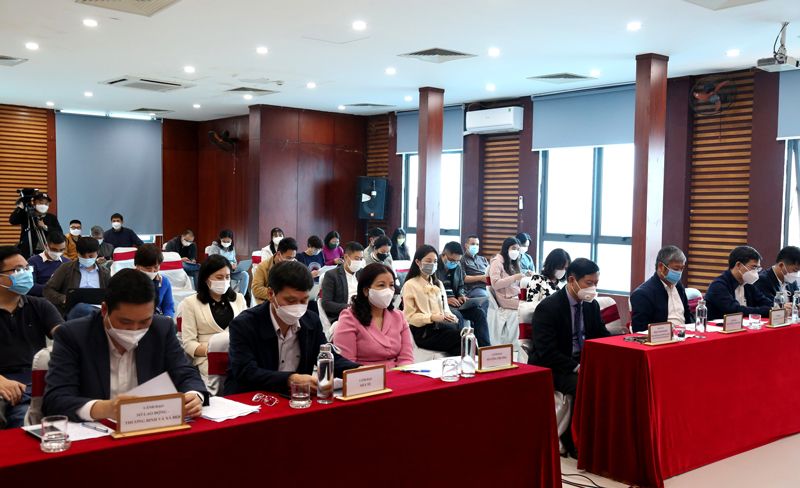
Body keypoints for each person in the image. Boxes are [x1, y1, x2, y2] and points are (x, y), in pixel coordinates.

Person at [43, 269, 208, 422]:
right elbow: (55, 400)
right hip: (97, 431)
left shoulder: (161, 329)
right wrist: (105, 409)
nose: (135, 329)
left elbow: (186, 373)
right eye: (125, 322)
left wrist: (194, 395)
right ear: (105, 310)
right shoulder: (73, 335)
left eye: (144, 321)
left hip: (150, 426)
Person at [225, 260, 359, 395]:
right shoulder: (245, 324)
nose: (298, 307)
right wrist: (290, 379)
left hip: (297, 399)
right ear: (271, 294)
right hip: (251, 398)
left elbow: (327, 357)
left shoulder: (311, 321)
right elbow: (245, 371)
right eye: (290, 300)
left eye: (304, 300)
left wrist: (360, 372)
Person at [528, 258, 610, 457]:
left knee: (612, 379)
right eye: (589, 283)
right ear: (572, 280)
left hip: (581, 361)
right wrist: (577, 367)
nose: (593, 288)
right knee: (584, 383)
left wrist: (623, 342)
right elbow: (546, 351)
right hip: (553, 366)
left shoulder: (591, 305)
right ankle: (573, 441)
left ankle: (603, 437)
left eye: (596, 283)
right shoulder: (549, 308)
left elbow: (601, 335)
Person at [0, 246, 63, 429]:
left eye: (27, 268)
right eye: (18, 270)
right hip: (3, 383)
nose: (26, 274)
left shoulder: (40, 306)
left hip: (33, 383)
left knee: (27, 421)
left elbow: (65, 337)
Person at [180, 255, 247, 383]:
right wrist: (214, 351)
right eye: (219, 277)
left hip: (236, 357)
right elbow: (189, 343)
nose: (224, 281)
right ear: (206, 278)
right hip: (207, 359)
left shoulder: (239, 299)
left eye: (227, 277)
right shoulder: (190, 303)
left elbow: (246, 333)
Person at [332, 263, 414, 368]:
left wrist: (402, 373)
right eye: (381, 285)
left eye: (391, 285)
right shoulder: (349, 318)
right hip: (364, 375)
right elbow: (347, 363)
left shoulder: (399, 316)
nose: (388, 290)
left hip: (397, 373)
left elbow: (406, 358)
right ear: (366, 290)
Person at [401, 245, 461, 356]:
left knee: (464, 339)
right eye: (428, 261)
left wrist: (451, 316)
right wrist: (431, 317)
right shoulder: (410, 285)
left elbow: (446, 309)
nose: (432, 265)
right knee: (461, 338)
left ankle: (460, 364)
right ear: (418, 262)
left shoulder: (438, 283)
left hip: (440, 327)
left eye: (435, 261)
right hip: (422, 332)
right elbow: (409, 317)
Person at [436, 242, 491, 347]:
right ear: (443, 255)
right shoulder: (435, 267)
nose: (455, 263)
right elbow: (431, 290)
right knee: (458, 316)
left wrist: (461, 295)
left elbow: (461, 285)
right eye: (452, 260)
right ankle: (463, 348)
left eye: (458, 260)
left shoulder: (458, 266)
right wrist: (445, 300)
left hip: (456, 302)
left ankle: (484, 348)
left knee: (479, 313)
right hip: (442, 304)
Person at [630, 246, 693, 332]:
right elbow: (639, 331)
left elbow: (687, 317)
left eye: (682, 269)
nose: (679, 273)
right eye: (676, 269)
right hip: (662, 337)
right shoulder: (642, 294)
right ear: (661, 267)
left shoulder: (678, 286)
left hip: (685, 334)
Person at [44, 237, 111, 319]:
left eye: (90, 256)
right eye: (83, 256)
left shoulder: (104, 273)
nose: (87, 259)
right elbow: (48, 290)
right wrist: (64, 299)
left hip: (98, 309)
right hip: (73, 310)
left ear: (97, 253)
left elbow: (111, 293)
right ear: (77, 253)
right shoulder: (66, 268)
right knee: (82, 308)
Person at [705, 246, 773, 321]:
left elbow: (768, 303)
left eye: (758, 268)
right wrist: (767, 310)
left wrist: (771, 308)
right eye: (753, 267)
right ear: (738, 265)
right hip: (718, 326)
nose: (756, 272)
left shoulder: (748, 285)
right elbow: (735, 311)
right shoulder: (718, 285)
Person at [489, 238, 532, 343]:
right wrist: (514, 277)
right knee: (528, 307)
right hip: (505, 298)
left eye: (517, 249)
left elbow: (515, 283)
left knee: (534, 303)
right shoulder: (496, 262)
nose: (516, 251)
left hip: (515, 295)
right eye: (513, 248)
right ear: (506, 248)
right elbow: (495, 284)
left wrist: (525, 276)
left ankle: (528, 341)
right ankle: (520, 343)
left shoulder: (513, 262)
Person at [520, 248, 571, 324]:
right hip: (543, 321)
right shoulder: (538, 279)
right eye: (560, 267)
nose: (563, 271)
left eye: (565, 268)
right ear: (552, 265)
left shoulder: (562, 285)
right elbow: (530, 306)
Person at [9, 191, 62, 259]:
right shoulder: (27, 216)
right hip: (28, 251)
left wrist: (45, 227)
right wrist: (20, 207)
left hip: (46, 251)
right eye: (40, 203)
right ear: (34, 203)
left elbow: (59, 233)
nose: (43, 205)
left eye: (46, 203)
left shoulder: (51, 217)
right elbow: (13, 221)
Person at [320, 242, 365, 322]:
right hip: (342, 316)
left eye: (361, 259)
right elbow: (326, 303)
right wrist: (350, 307)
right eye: (357, 259)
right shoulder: (332, 275)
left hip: (362, 313)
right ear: (346, 257)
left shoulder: (362, 273)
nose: (359, 262)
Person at [253, 237, 298, 305]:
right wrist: (278, 294)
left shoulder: (295, 265)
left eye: (293, 258)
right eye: (288, 258)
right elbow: (256, 289)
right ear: (279, 254)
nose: (291, 261)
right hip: (268, 302)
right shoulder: (263, 266)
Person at [134, 244, 174, 318]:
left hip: (156, 318)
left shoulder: (164, 282)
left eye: (156, 267)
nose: (152, 271)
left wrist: (168, 318)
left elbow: (168, 307)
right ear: (137, 266)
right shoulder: (128, 281)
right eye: (148, 268)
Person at [208, 229, 249, 296]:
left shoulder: (231, 248)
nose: (226, 243)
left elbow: (234, 260)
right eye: (224, 241)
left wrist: (235, 265)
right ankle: (227, 296)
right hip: (219, 270)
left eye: (228, 241)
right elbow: (213, 261)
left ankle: (241, 297)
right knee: (226, 277)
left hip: (231, 271)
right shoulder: (214, 247)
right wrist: (227, 265)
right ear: (220, 239)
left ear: (231, 240)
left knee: (245, 274)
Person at [27, 232, 69, 297]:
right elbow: (30, 286)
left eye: (61, 250)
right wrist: (53, 290)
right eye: (54, 249)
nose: (58, 253)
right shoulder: (32, 262)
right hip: (42, 298)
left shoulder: (67, 262)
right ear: (46, 246)